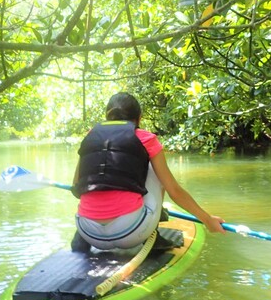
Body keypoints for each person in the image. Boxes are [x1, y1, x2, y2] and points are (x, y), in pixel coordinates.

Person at [70, 92, 225, 253]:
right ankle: (154, 235)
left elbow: (76, 186)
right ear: (139, 118)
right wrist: (208, 220)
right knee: (154, 168)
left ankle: (80, 238)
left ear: (107, 116)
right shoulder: (146, 139)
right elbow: (174, 191)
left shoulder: (91, 136)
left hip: (88, 231)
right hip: (130, 232)